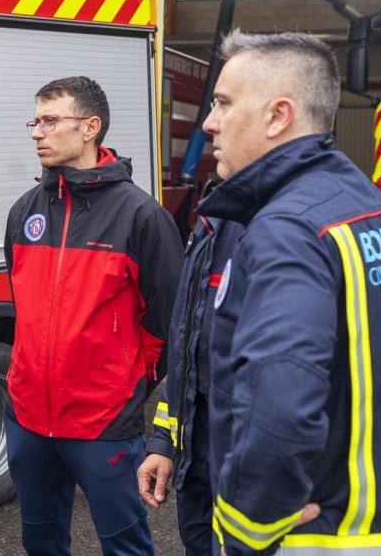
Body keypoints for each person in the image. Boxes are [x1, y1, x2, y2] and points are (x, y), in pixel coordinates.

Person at [196, 30, 381, 556]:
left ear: (277, 116)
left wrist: (246, 530)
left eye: (222, 103)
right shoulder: (374, 206)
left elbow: (278, 406)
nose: (210, 122)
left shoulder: (287, 229)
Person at [4, 76, 182, 556]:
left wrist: (124, 384)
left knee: (124, 545)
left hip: (102, 422)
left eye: (50, 120)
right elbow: (25, 308)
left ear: (90, 127)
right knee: (41, 540)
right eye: (35, 121)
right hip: (28, 420)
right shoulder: (25, 211)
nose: (37, 132)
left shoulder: (140, 217)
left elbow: (167, 327)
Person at [138, 212, 244, 555]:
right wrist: (164, 441)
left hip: (248, 478)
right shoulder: (214, 220)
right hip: (197, 463)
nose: (212, 153)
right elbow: (187, 349)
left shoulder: (291, 225)